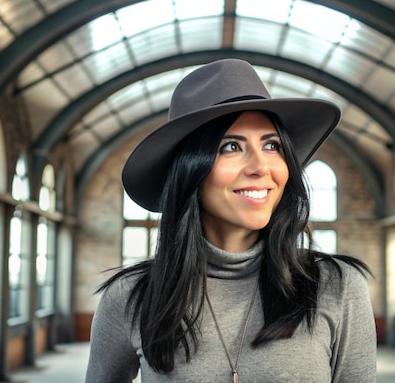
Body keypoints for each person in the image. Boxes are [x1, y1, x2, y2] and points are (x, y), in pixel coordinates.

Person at [85, 58, 377, 382]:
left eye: (271, 145)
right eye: (231, 146)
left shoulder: (338, 287)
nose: (260, 167)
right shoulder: (130, 297)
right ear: (191, 168)